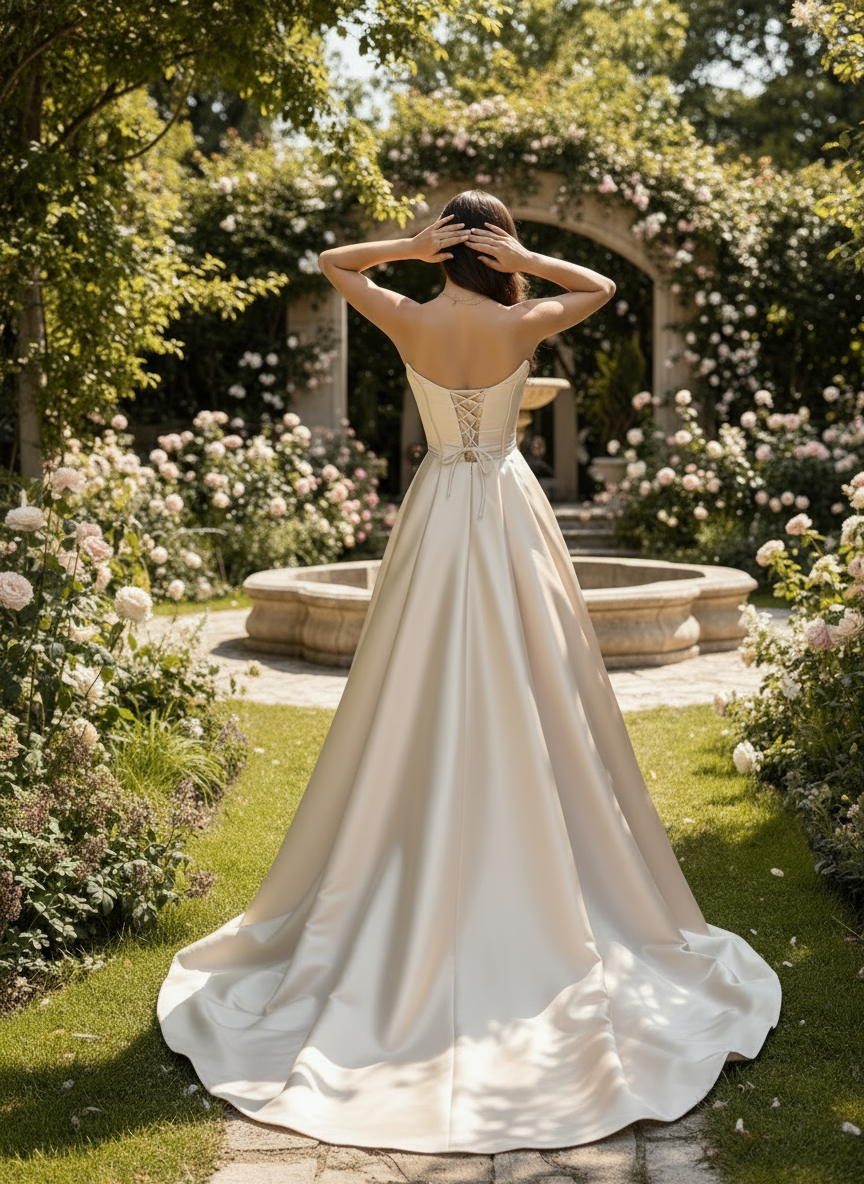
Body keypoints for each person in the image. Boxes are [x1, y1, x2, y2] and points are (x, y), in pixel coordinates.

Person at [158, 190, 781, 1154]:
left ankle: (414, 831)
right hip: (507, 508)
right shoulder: (524, 314)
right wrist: (521, 256)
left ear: (444, 244)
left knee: (409, 680)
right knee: (538, 676)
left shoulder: (407, 313)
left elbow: (333, 263)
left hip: (437, 511)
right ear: (493, 246)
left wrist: (409, 248)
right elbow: (606, 281)